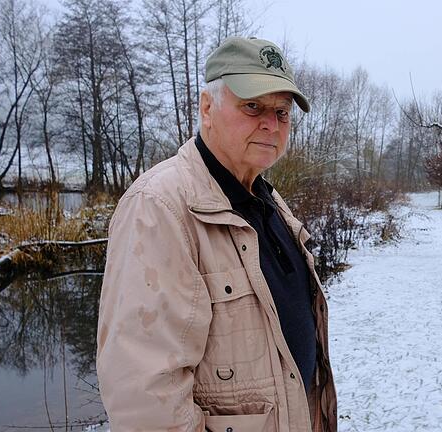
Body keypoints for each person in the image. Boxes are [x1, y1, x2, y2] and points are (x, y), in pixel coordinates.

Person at [96, 37, 337, 432]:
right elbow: (144, 399)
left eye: (282, 112)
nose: (270, 124)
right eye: (253, 106)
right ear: (207, 108)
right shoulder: (160, 207)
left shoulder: (267, 200)